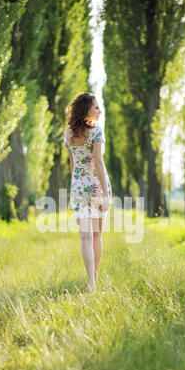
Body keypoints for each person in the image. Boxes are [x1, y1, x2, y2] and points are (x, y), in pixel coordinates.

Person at [64, 92, 112, 293]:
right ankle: (93, 280)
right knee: (96, 235)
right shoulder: (97, 131)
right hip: (95, 188)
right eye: (97, 108)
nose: (100, 111)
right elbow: (99, 163)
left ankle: (91, 280)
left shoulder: (67, 135)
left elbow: (73, 165)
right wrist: (105, 193)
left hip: (78, 188)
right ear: (87, 110)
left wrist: (78, 184)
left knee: (85, 236)